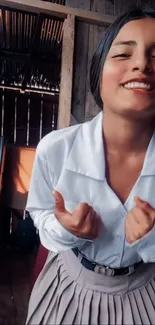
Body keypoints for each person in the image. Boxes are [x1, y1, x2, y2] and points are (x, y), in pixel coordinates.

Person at [26, 8, 155, 325]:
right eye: (124, 53)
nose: (141, 64)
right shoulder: (55, 150)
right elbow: (41, 216)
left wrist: (151, 240)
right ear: (98, 75)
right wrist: (65, 230)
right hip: (68, 290)